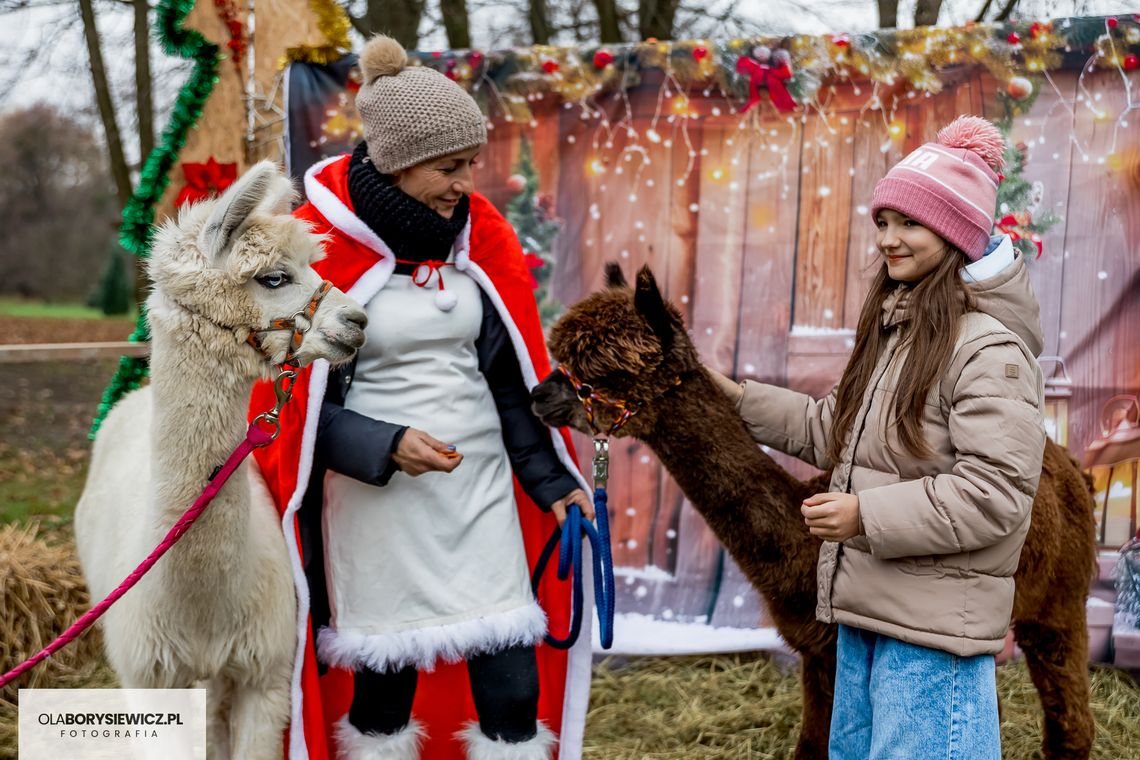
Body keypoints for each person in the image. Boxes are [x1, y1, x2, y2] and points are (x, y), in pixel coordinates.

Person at [250, 34, 592, 760]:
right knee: (385, 688)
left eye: (471, 163)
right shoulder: (316, 250)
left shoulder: (476, 242)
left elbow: (511, 385)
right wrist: (385, 443)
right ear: (398, 164)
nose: (466, 183)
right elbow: (289, 407)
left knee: (511, 679)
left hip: (481, 494)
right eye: (449, 167)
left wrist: (552, 481)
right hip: (377, 502)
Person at [709, 115, 1046, 760]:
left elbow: (995, 493)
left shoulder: (987, 349)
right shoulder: (901, 333)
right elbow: (832, 431)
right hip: (870, 612)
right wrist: (736, 401)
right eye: (883, 223)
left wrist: (864, 513)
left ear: (954, 235)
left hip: (932, 633)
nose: (889, 240)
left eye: (910, 223)